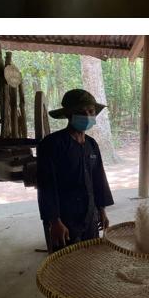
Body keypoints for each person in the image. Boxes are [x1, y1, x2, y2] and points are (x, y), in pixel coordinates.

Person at [36, 89, 114, 254]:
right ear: (69, 115)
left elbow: (99, 179)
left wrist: (102, 210)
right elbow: (47, 186)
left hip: (90, 216)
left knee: (90, 259)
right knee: (65, 265)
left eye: (91, 111)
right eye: (80, 112)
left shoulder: (92, 145)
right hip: (65, 219)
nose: (87, 115)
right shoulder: (51, 145)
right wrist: (55, 221)